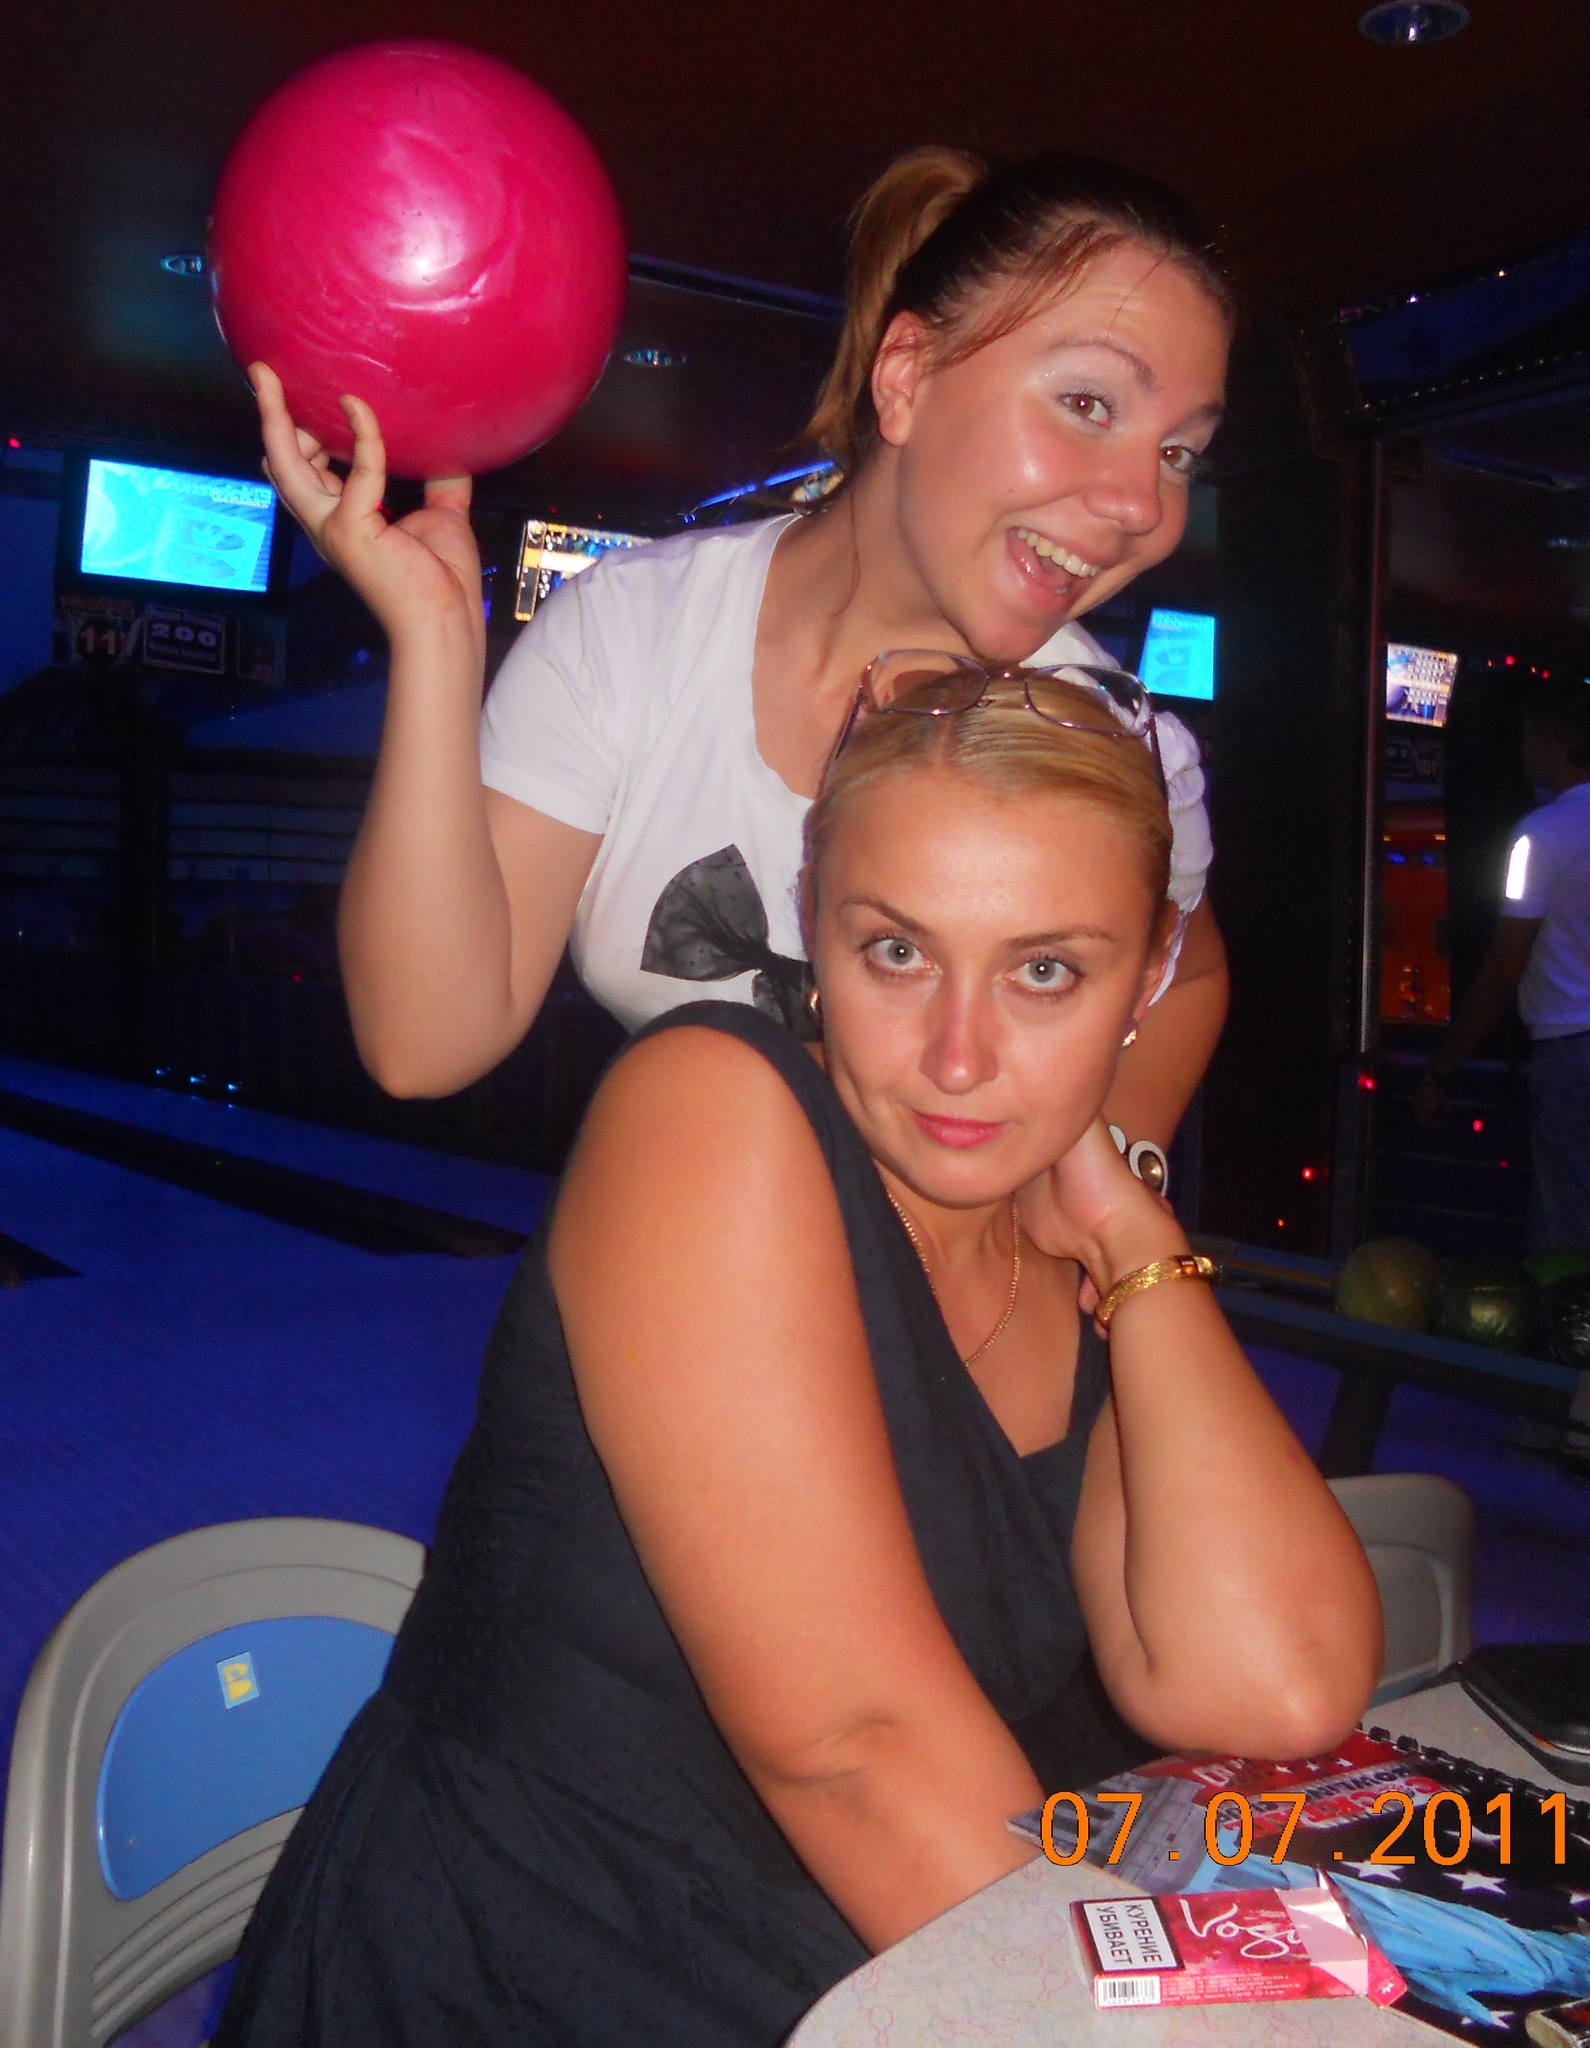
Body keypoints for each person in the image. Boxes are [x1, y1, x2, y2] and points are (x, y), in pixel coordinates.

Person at [216, 669, 1380, 2048]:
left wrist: (1136, 1240)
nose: (958, 1057)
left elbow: (1270, 1686)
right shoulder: (709, 1115)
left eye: (1046, 971)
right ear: (813, 919)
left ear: (1148, 974)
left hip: (875, 1952)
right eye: (896, 952)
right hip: (532, 1966)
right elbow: (854, 1752)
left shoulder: (1071, 1243)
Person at [252, 146, 1233, 1152]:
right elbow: (423, 1042)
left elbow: (1188, 973)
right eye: (1089, 404)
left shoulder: (1110, 739)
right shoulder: (635, 632)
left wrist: (1112, 1184)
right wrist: (436, 637)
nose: (1143, 506)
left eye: (1178, 453)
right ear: (907, 377)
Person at [1418, 679, 1590, 1251]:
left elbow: (1505, 962)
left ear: (1554, 741)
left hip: (1570, 1049)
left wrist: (1443, 1067)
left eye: (1529, 737)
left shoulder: (1537, 838)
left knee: (1567, 1227)